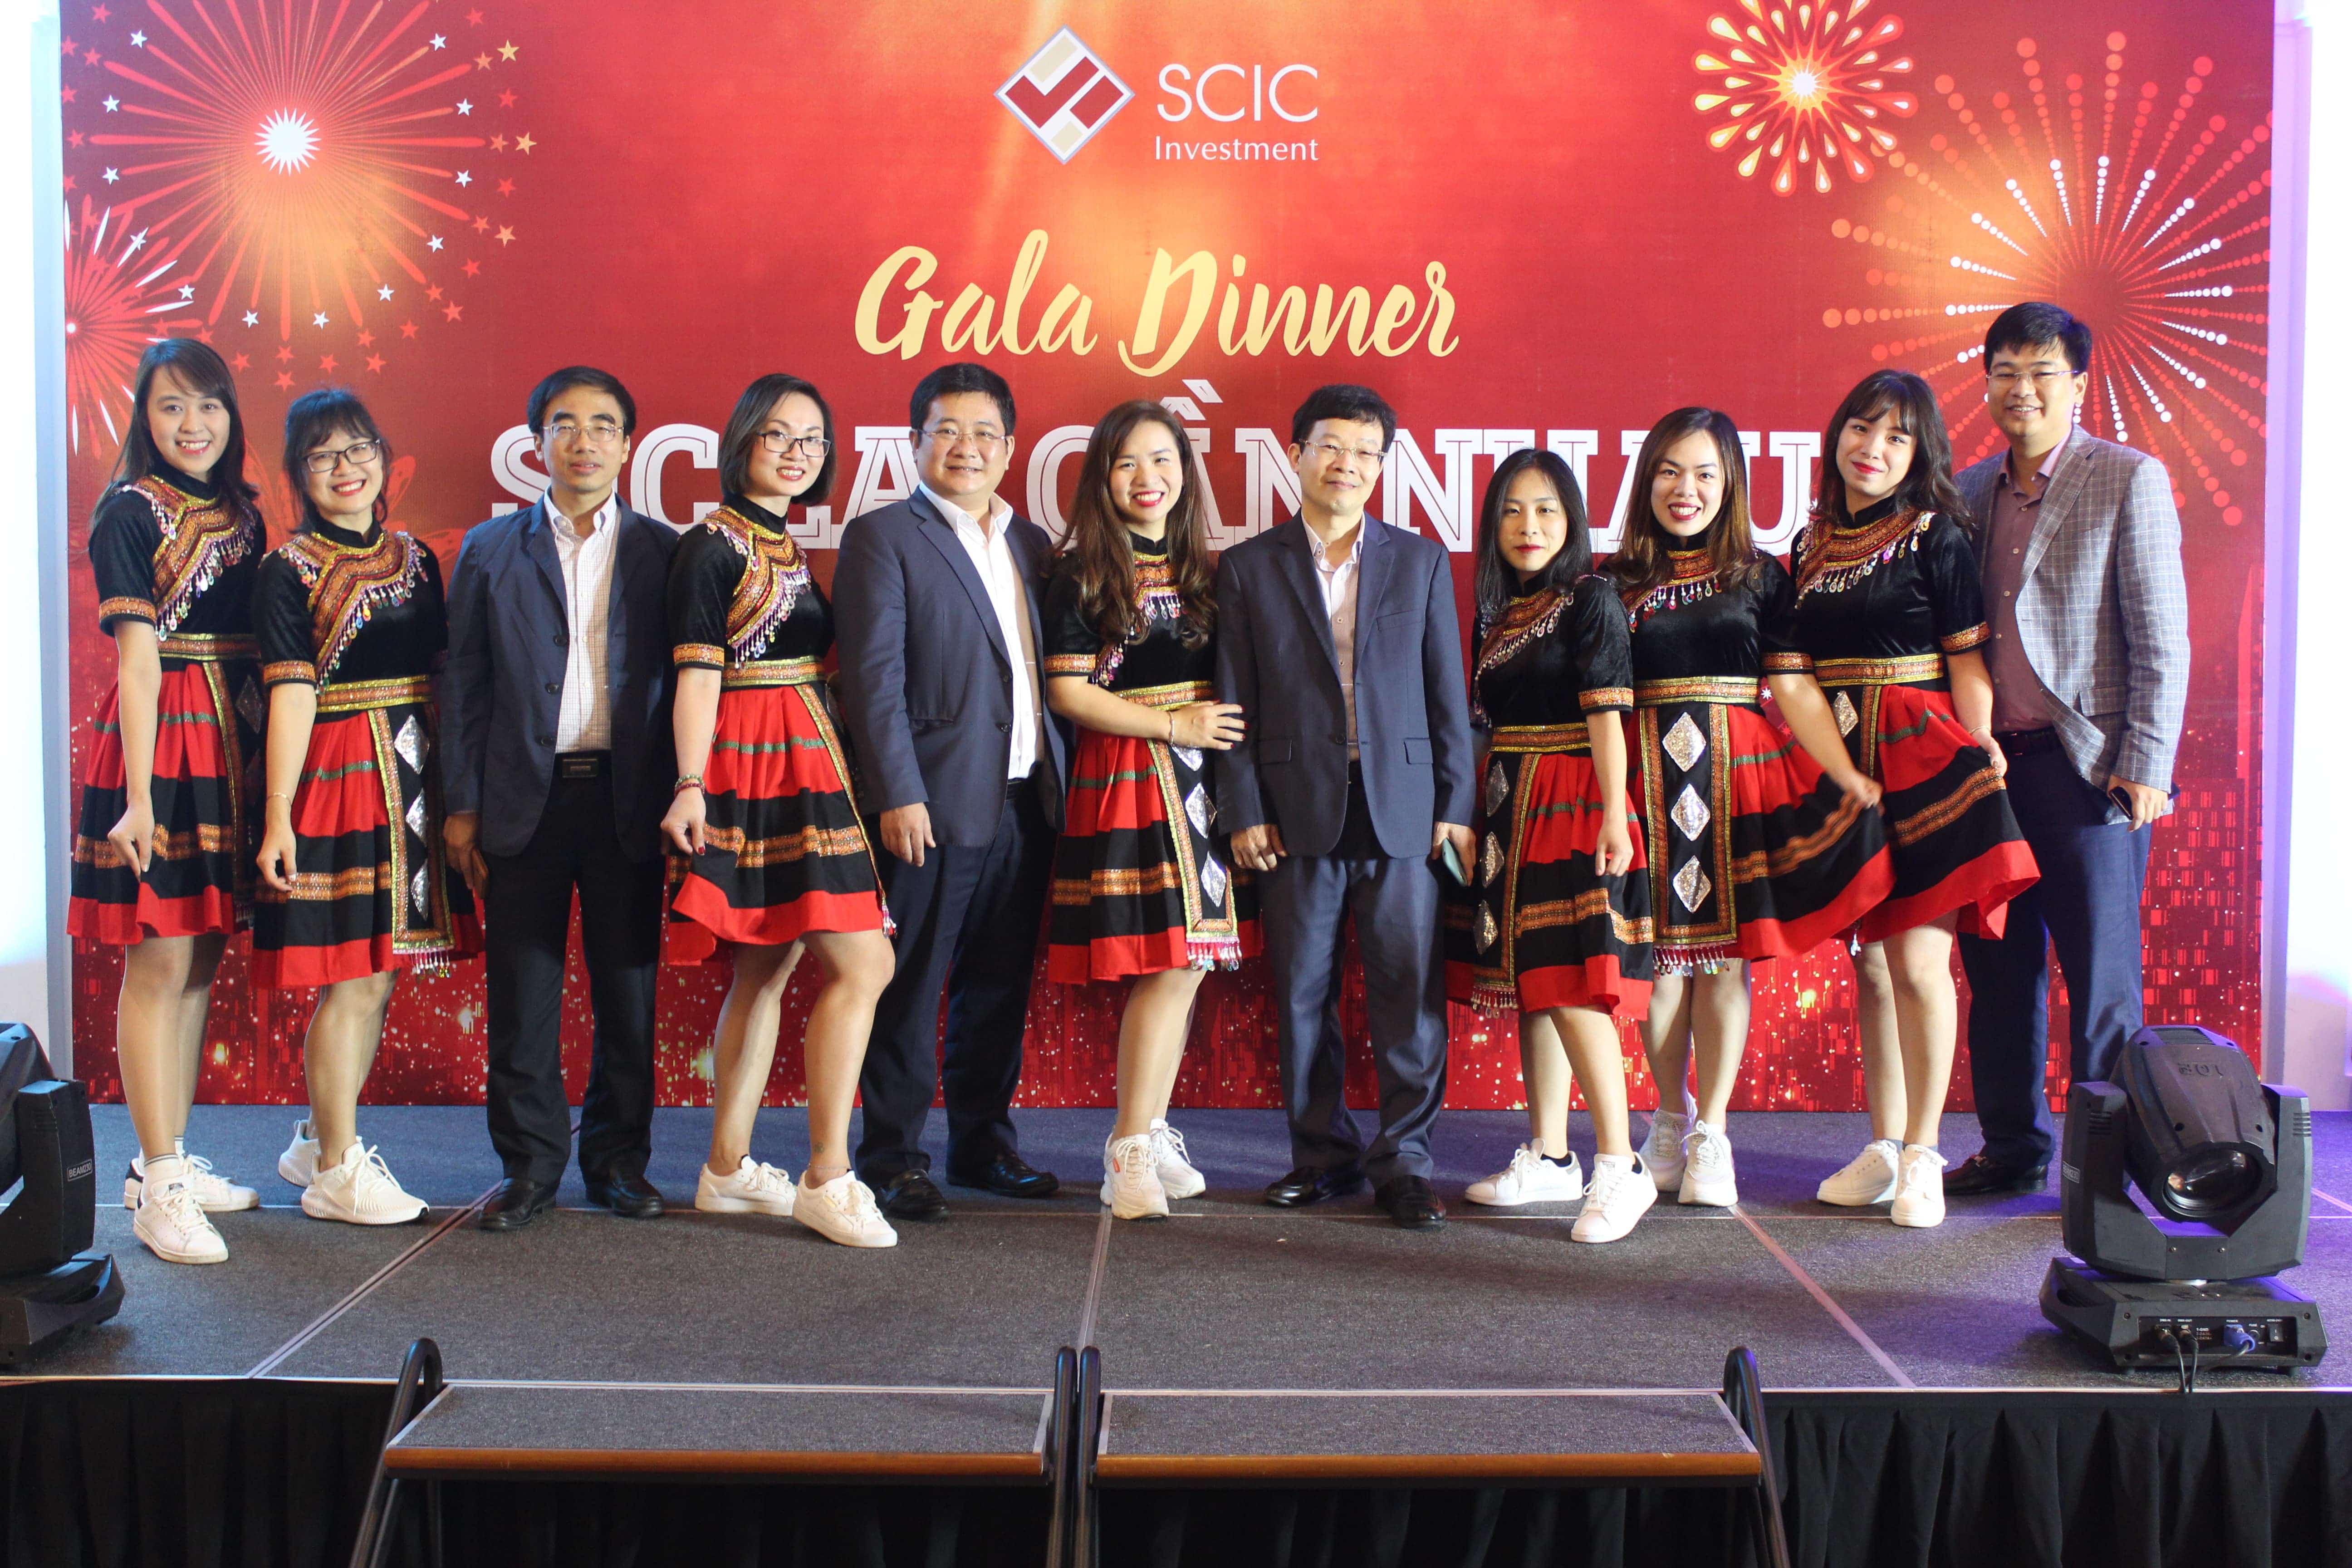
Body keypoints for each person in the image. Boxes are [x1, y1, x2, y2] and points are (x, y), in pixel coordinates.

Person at [1606, 411, 1892, 1210]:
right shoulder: (1613, 582)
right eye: (1669, 471)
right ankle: (1669, 1121)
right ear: (1646, 480)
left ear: (1731, 483)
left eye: (1705, 473)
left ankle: (1714, 1133)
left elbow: (1793, 687)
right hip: (1644, 778)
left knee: (1723, 962)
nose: (1686, 489)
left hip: (1736, 779)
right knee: (1661, 966)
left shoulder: (1762, 576)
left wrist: (1843, 772)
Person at [1782, 370, 2038, 1229]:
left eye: (1898, 437)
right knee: (1869, 963)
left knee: (1921, 965)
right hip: (1842, 762)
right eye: (1862, 428)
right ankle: (1885, 1148)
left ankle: (1925, 1152)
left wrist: (1980, 740)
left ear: (1920, 453)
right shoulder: (1809, 543)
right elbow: (1797, 676)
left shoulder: (1937, 534)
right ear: (1838, 434)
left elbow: (1966, 659)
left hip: (1922, 755)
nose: (1874, 449)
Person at [1215, 384, 1475, 1231]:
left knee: (1409, 995)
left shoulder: (1419, 561)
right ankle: (1321, 1157)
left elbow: (1447, 694)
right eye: (1331, 446)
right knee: (1301, 995)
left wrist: (1457, 804)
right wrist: (1243, 807)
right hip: (1294, 809)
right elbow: (1235, 699)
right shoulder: (1248, 567)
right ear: (1296, 454)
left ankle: (1405, 1164)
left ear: (1382, 465)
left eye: (1366, 452)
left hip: (1404, 806)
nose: (1348, 465)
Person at [1948, 303, 2189, 1196]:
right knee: (1999, 972)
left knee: (2100, 985)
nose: (2023, 388)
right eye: (2006, 372)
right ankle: (2012, 1149)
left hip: (2087, 767)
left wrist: (2146, 764)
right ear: (1988, 384)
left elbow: (2161, 637)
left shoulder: (2128, 479)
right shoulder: (1968, 491)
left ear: (2078, 384)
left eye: (2042, 371)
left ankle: (2103, 1170)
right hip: (1992, 771)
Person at [439, 367, 681, 1230]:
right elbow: (462, 683)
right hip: (522, 802)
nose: (585, 441)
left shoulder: (664, 551)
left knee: (628, 996)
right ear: (537, 441)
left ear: (628, 444)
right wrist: (460, 804)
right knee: (523, 996)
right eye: (566, 424)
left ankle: (617, 1164)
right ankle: (529, 1170)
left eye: (604, 425)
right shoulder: (489, 548)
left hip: (627, 800)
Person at [661, 374, 898, 1248]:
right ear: (742, 442)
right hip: (753, 766)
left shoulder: (784, 542)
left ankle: (725, 1169)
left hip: (806, 759)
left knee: (766, 967)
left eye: (812, 440)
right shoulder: (709, 545)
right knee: (864, 964)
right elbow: (697, 673)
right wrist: (690, 783)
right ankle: (827, 1174)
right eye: (778, 436)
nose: (797, 453)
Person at [833, 363, 1070, 1220]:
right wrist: (897, 793)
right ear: (915, 441)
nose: (966, 448)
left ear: (1010, 446)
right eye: (947, 431)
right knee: (909, 983)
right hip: (929, 804)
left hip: (1026, 800)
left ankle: (983, 1145)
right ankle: (892, 1157)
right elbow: (873, 682)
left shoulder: (1031, 543)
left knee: (997, 984)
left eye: (984, 433)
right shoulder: (883, 537)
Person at [252, 389, 478, 1225]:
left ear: (383, 459)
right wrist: (279, 812)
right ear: (299, 475)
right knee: (350, 978)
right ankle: (337, 1171)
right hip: (338, 775)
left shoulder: (416, 559)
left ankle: (320, 1138)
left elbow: (445, 676)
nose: (345, 469)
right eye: (323, 456)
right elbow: (290, 694)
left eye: (358, 450)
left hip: (414, 772)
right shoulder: (286, 571)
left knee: (380, 976)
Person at [68, 340, 266, 1265]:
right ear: (144, 419)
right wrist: (141, 796)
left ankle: (169, 1161)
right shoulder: (129, 512)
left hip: (230, 736)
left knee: (203, 957)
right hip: (164, 740)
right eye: (171, 407)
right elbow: (139, 664)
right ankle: (157, 1178)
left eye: (209, 405)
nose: (193, 425)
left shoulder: (243, 514)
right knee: (162, 957)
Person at [1041, 402, 1254, 1220]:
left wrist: (1200, 740)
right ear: (1101, 475)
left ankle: (1152, 1128)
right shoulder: (1081, 573)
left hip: (1201, 777)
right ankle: (1127, 1148)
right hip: (1132, 768)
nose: (1147, 478)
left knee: (1190, 961)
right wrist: (1173, 726)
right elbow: (1068, 693)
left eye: (1163, 460)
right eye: (1128, 462)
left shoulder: (1203, 570)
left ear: (1185, 473)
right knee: (1167, 961)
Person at [1448, 449, 1656, 1243]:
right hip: (1510, 803)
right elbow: (1483, 725)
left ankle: (1621, 1165)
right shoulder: (1496, 613)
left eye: (1545, 510)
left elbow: (1608, 715)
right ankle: (1550, 1154)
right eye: (1511, 511)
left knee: (1572, 985)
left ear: (1571, 519)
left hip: (1576, 798)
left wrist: (1614, 813)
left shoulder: (1591, 597)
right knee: (1531, 987)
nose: (1527, 526)